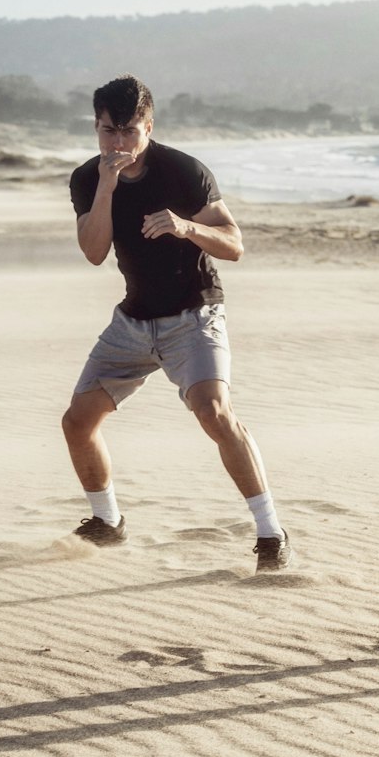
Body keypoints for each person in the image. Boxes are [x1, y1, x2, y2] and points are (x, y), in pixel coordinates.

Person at [61, 74, 291, 571]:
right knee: (77, 422)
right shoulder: (86, 178)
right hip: (134, 320)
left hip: (194, 313)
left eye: (128, 130)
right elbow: (94, 251)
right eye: (107, 131)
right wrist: (106, 185)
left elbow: (234, 244)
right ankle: (108, 521)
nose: (118, 142)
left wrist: (187, 226)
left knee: (214, 413)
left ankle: (271, 532)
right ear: (96, 128)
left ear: (148, 125)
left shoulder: (184, 172)